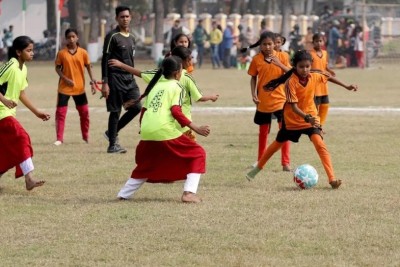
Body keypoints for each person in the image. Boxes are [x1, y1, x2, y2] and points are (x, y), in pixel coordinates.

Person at [246, 50, 358, 189]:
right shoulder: (290, 82)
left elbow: (328, 77)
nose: (305, 70)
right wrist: (307, 118)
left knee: (320, 144)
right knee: (276, 145)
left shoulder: (315, 76)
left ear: (310, 65)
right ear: (294, 66)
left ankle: (332, 179)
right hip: (292, 121)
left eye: (307, 66)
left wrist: (346, 86)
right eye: (301, 67)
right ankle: (258, 168)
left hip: (311, 117)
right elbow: (293, 107)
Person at [117, 56, 210, 203]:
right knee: (198, 154)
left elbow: (144, 110)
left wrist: (144, 129)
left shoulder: (156, 86)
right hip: (163, 130)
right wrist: (196, 128)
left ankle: (124, 193)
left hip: (147, 131)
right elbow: (176, 111)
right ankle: (189, 194)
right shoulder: (177, 87)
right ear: (178, 73)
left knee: (147, 163)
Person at [109, 45, 219, 140]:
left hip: (164, 124)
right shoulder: (185, 77)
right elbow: (198, 97)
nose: (191, 62)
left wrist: (121, 65)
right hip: (183, 124)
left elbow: (140, 73)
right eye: (189, 59)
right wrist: (212, 97)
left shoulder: (160, 74)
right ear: (181, 61)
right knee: (193, 155)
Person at [0, 36, 51, 190]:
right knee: (22, 138)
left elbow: (21, 94)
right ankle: (29, 179)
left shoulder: (23, 69)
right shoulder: (10, 66)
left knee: (6, 150)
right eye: (28, 50)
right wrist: (5, 101)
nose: (32, 53)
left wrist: (37, 112)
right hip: (2, 113)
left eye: (32, 50)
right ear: (18, 52)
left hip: (8, 113)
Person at [242, 31, 292, 171]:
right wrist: (253, 94)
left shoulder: (282, 56)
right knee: (263, 132)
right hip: (263, 102)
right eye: (264, 44)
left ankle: (285, 163)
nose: (268, 47)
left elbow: (291, 73)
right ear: (260, 45)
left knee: (284, 131)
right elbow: (253, 78)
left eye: (270, 44)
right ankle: (260, 162)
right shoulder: (257, 60)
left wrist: (279, 63)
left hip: (281, 100)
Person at [101, 5, 142, 154]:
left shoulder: (132, 38)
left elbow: (130, 60)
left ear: (130, 18)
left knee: (137, 107)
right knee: (115, 111)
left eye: (127, 16)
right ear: (117, 18)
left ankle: (111, 132)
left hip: (129, 79)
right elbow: (105, 59)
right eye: (122, 17)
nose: (125, 19)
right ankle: (112, 145)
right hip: (114, 78)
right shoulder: (112, 36)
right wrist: (105, 82)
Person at [53, 29, 97, 146]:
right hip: (64, 89)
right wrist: (65, 79)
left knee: (84, 113)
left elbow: (88, 66)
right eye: (69, 37)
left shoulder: (83, 52)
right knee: (61, 113)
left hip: (79, 89)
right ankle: (59, 139)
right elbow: (57, 68)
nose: (71, 39)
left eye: (73, 36)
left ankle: (85, 136)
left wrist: (93, 81)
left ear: (77, 37)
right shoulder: (61, 53)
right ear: (66, 39)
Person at [309, 33, 335, 127]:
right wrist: (318, 71)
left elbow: (325, 65)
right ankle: (314, 126)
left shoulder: (325, 53)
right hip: (314, 83)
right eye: (316, 41)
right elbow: (307, 68)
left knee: (325, 105)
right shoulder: (310, 53)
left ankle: (320, 125)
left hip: (323, 83)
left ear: (323, 42)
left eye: (320, 41)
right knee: (315, 106)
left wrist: (329, 70)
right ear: (313, 42)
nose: (319, 43)